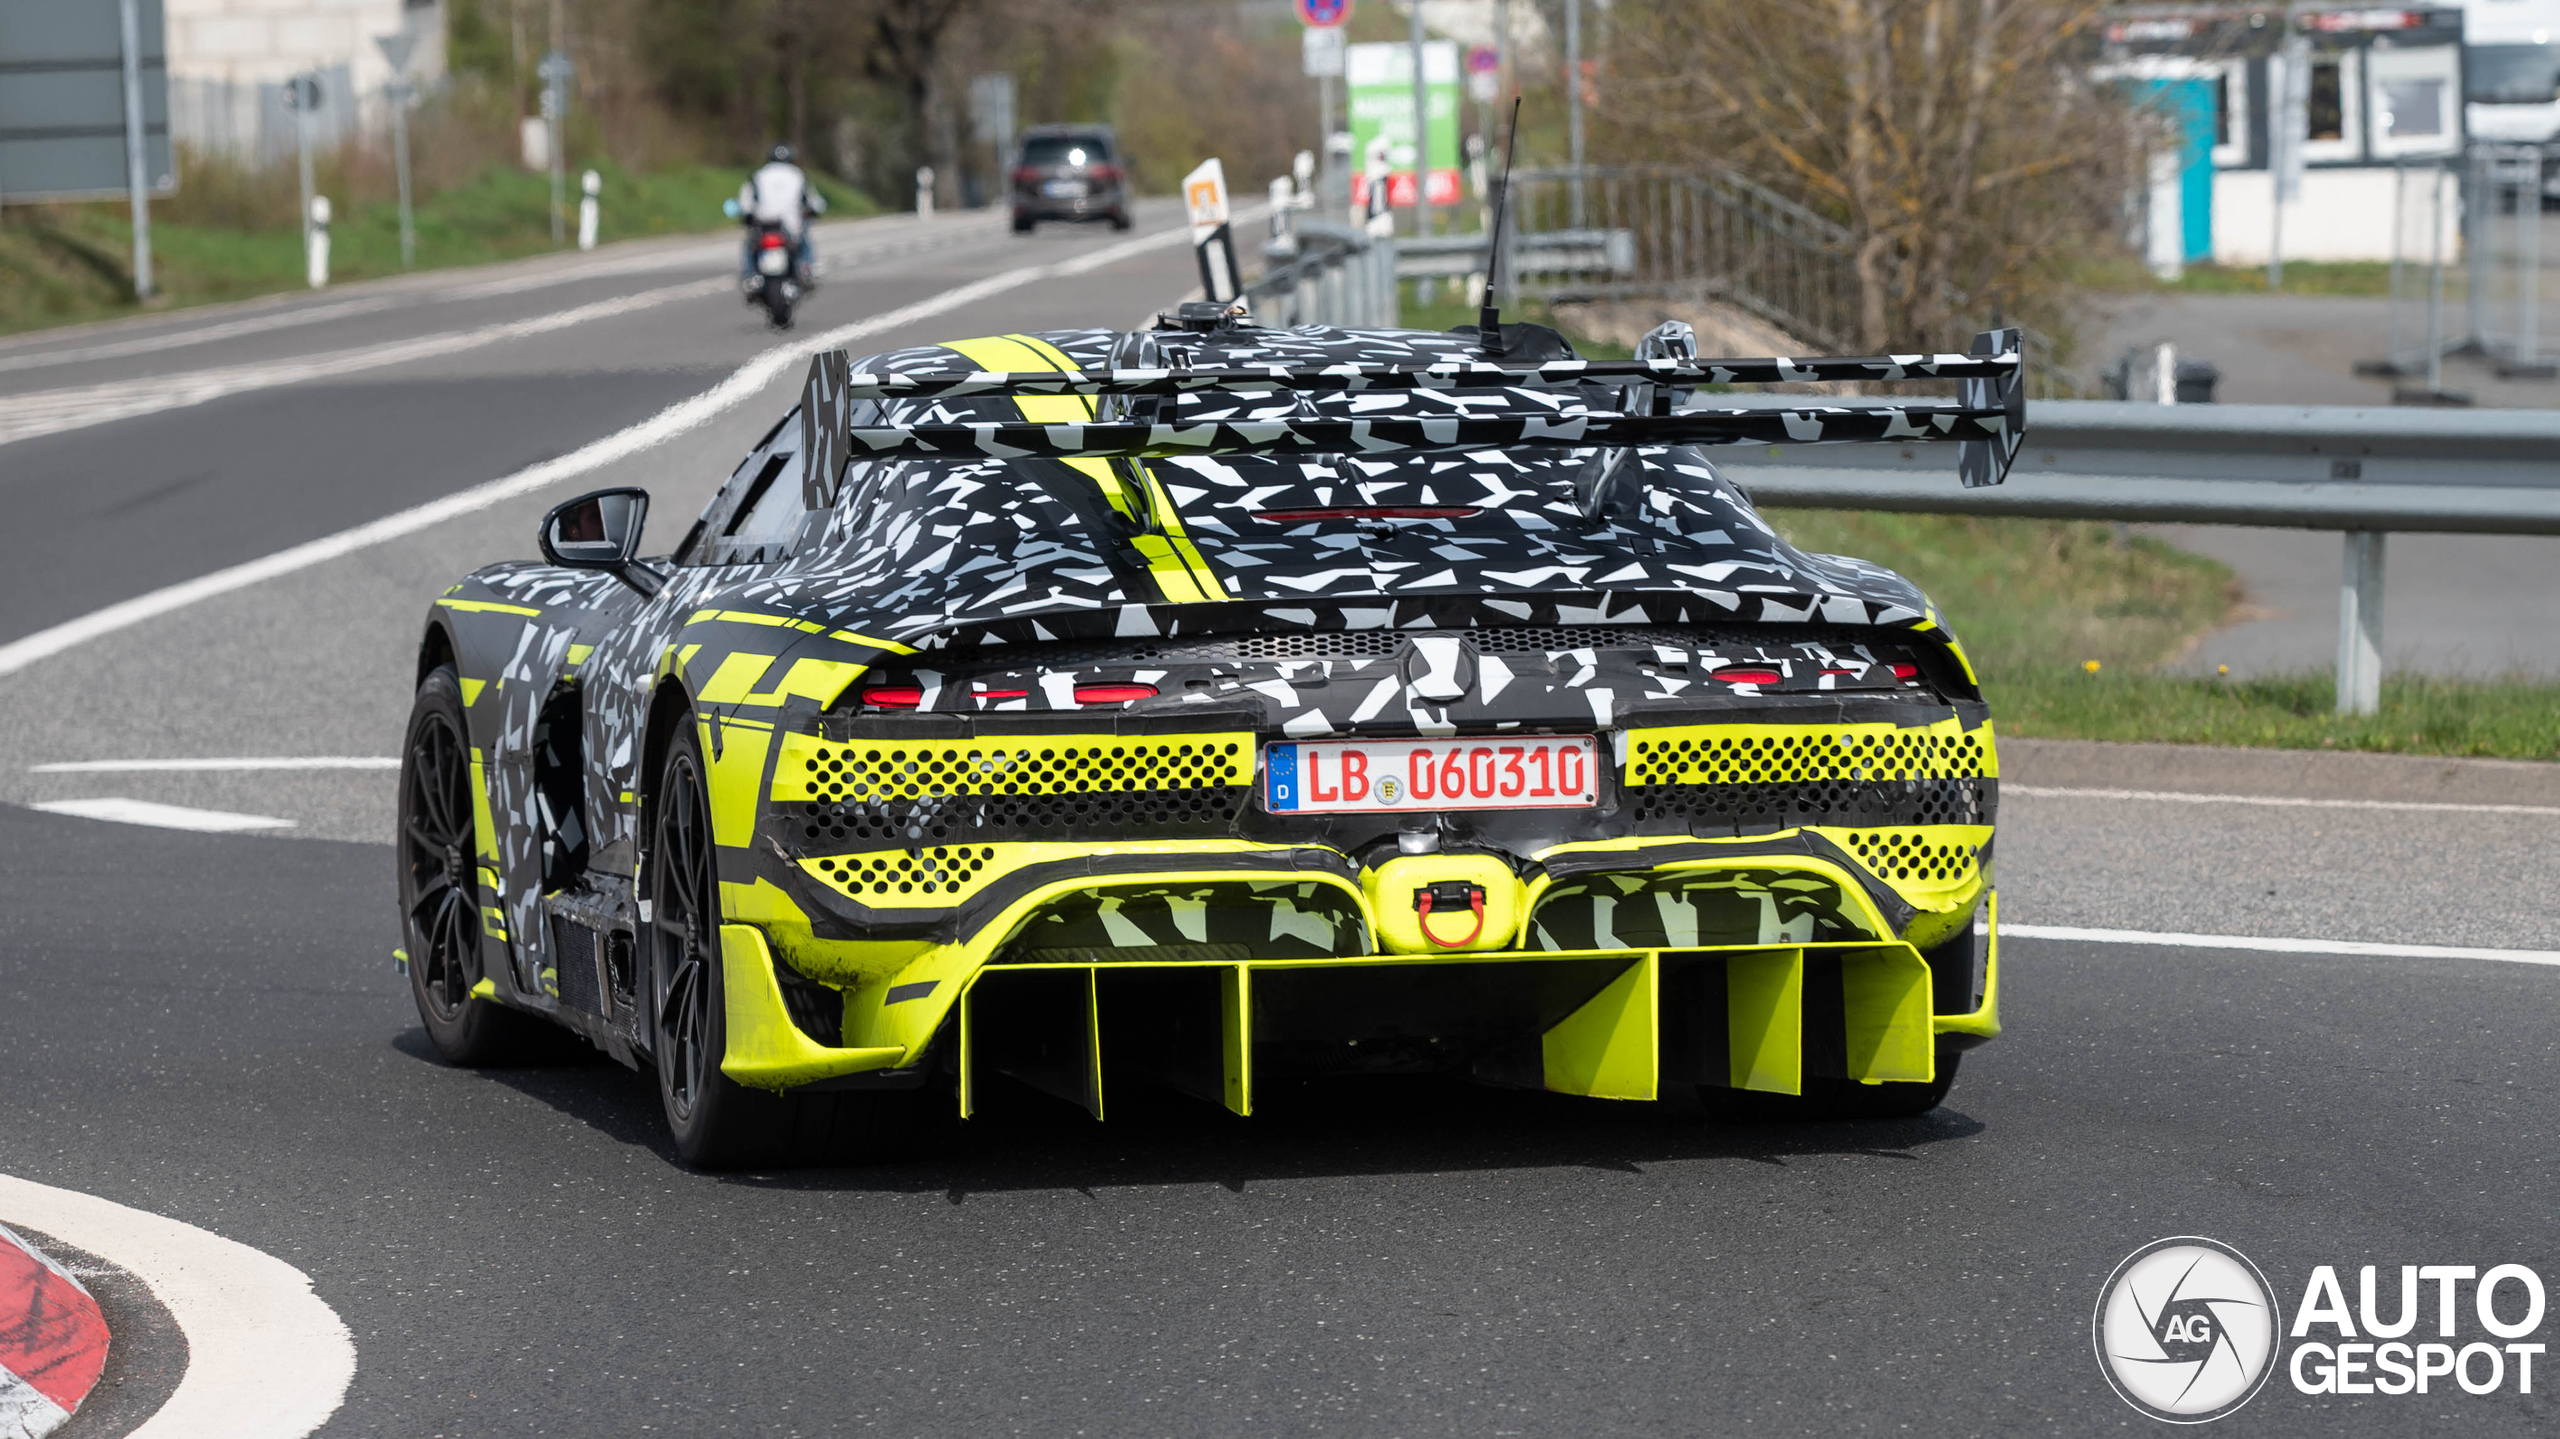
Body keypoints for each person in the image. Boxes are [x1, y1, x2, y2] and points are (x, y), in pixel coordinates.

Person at [738, 143, 825, 288]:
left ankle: (750, 275)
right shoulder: (798, 175)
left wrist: (748, 215)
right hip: (791, 226)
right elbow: (813, 201)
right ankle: (806, 268)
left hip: (763, 224)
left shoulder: (758, 175)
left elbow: (745, 202)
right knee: (804, 242)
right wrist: (814, 210)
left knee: (749, 246)